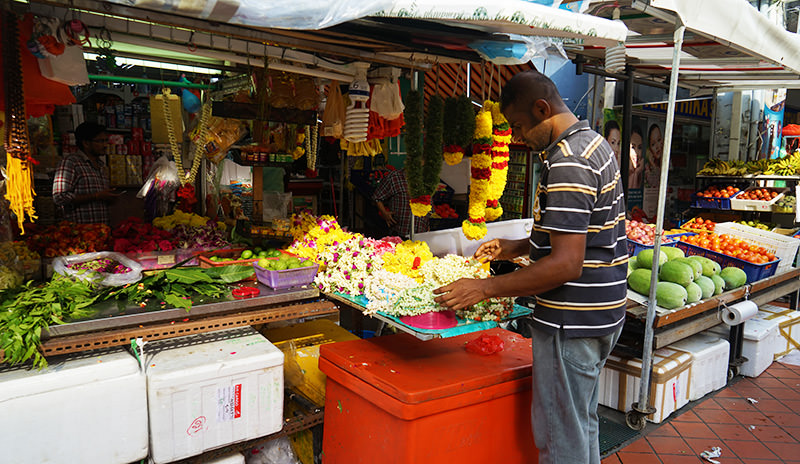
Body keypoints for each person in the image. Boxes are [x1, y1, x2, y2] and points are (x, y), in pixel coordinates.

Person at [434, 70, 627, 464]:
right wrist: (514, 247)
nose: (518, 137)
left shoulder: (568, 163)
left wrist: (484, 288)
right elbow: (575, 235)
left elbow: (567, 264)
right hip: (602, 313)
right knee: (581, 425)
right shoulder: (594, 146)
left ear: (543, 109)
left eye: (520, 126)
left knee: (560, 437)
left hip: (571, 321)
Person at [53, 122, 119, 224]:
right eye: (101, 141)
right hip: (80, 233)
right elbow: (60, 197)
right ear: (86, 143)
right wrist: (96, 196)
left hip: (100, 231)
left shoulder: (101, 166)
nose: (105, 145)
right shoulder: (71, 162)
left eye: (106, 141)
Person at [372, 168, 429, 238]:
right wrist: (384, 213)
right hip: (399, 232)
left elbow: (429, 204)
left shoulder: (427, 179)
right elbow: (377, 197)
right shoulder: (394, 177)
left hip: (421, 234)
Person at [643, 123, 664, 188]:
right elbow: (655, 184)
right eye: (653, 144)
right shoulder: (647, 168)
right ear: (649, 149)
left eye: (659, 140)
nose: (657, 146)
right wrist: (652, 164)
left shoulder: (666, 163)